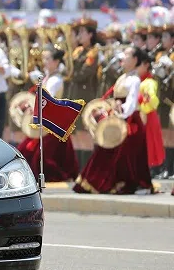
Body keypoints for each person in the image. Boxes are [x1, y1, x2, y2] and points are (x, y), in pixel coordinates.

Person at [74, 46, 155, 194]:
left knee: (127, 156)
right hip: (119, 118)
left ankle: (134, 184)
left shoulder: (135, 80)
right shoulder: (123, 77)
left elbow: (131, 104)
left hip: (130, 121)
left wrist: (120, 109)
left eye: (127, 56)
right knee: (107, 148)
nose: (122, 59)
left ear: (135, 60)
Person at [17, 48, 79, 182]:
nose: (44, 62)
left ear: (56, 62)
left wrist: (32, 106)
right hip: (46, 120)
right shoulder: (47, 77)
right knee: (28, 149)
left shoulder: (55, 80)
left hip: (52, 122)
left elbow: (46, 99)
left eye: (47, 59)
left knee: (41, 153)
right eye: (43, 59)